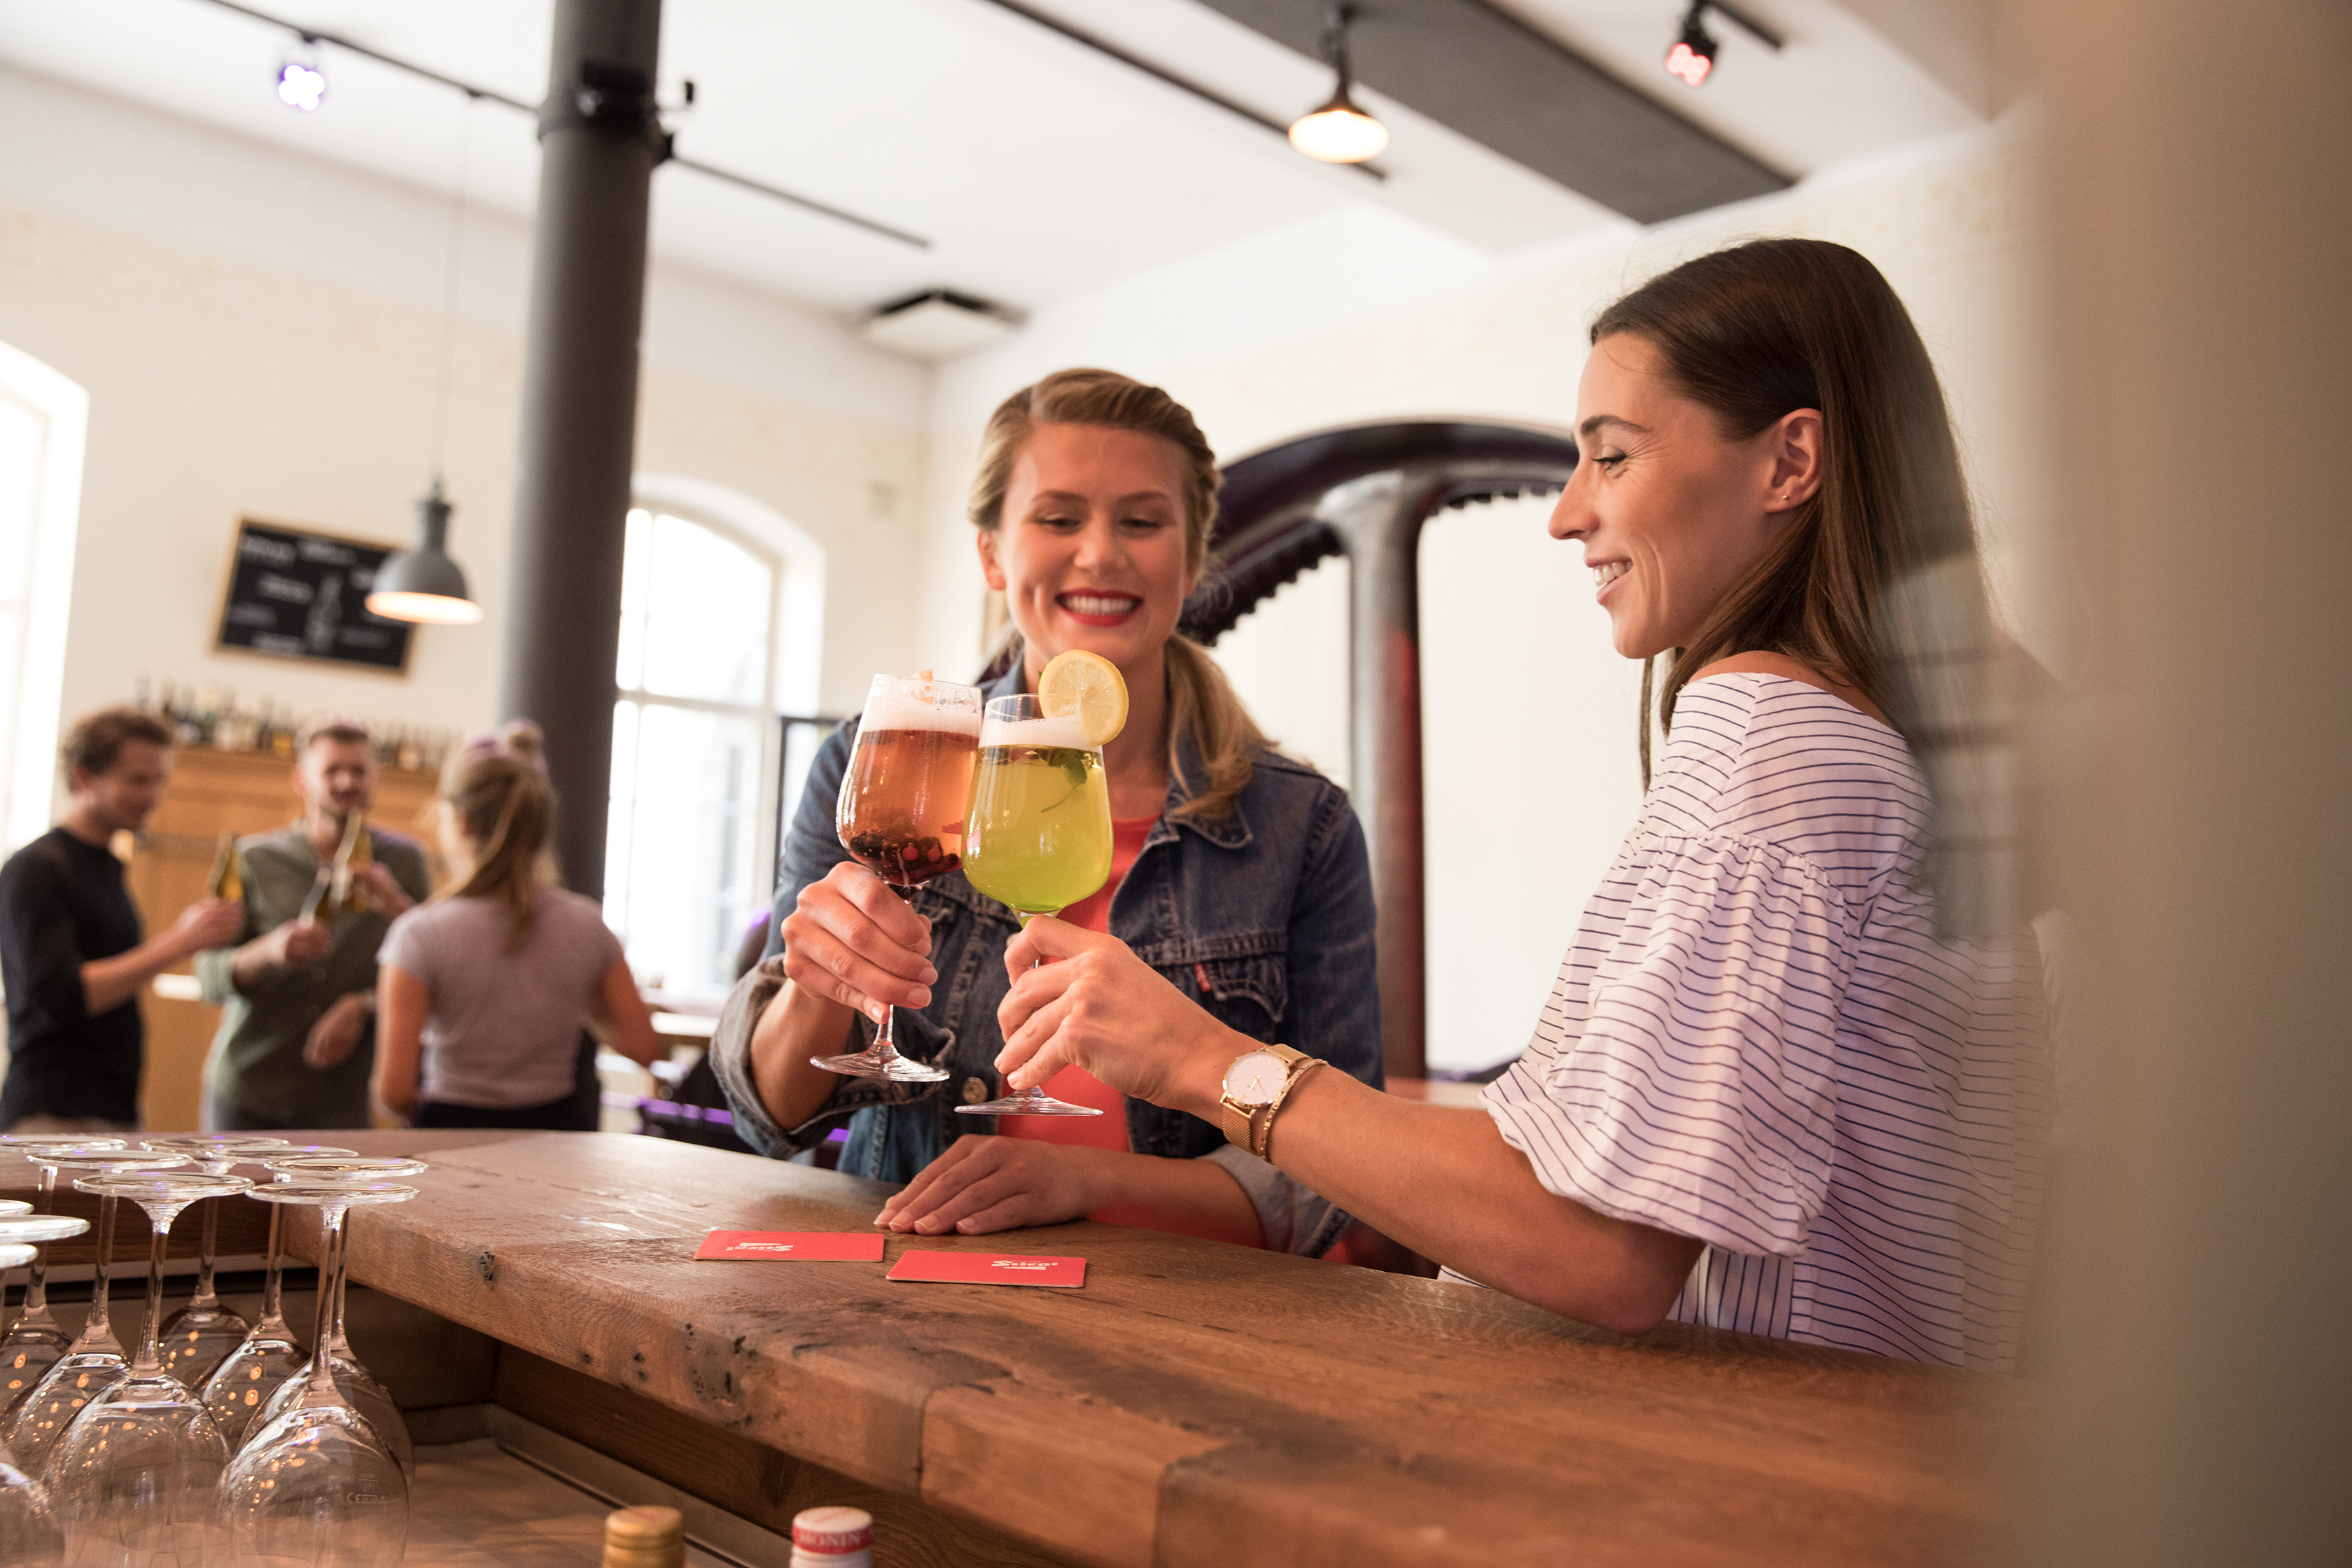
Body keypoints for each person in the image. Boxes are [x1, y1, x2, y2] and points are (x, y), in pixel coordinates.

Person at [971, 241, 2054, 1371]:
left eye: (1613, 457)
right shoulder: (1890, 744)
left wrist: (1205, 1062)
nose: (1568, 512)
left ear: (1791, 462)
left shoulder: (1770, 737)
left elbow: (1603, 1249)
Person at [708, 368, 1380, 1256]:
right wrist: (817, 980)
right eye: (1058, 517)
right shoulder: (887, 759)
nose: (1101, 553)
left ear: (1194, 554)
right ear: (992, 552)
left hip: (1194, 1323)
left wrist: (1083, 1179)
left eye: (1141, 520)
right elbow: (773, 1116)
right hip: (920, 1294)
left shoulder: (1303, 828)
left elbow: (1337, 1178)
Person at [372, 724, 661, 1128]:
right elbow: (645, 1046)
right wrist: (573, 1000)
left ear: (462, 820)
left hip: (450, 1135)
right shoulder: (586, 923)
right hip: (556, 1136)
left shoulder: (419, 934)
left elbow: (395, 1093)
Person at [0, 707, 244, 1133]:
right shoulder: (37, 868)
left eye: (159, 780)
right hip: (54, 1114)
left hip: (111, 1107)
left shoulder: (106, 864)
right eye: (137, 780)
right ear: (83, 777)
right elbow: (60, 998)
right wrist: (179, 943)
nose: (153, 795)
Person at [194, 719, 433, 1130]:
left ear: (376, 779)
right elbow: (209, 976)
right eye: (332, 770)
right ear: (301, 779)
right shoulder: (254, 859)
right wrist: (269, 951)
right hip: (248, 1090)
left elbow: (432, 972)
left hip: (342, 1097)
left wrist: (363, 1004)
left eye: (359, 771)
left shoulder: (406, 864)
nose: (346, 782)